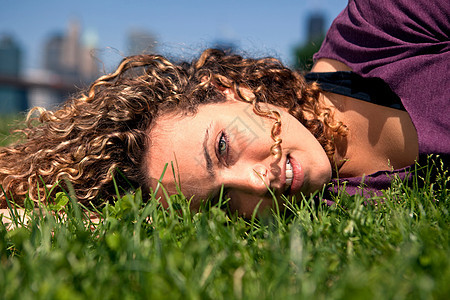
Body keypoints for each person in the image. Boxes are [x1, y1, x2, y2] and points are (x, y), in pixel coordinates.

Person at [0, 0, 448, 217]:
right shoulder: (337, 203)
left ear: (230, 90)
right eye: (223, 202)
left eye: (222, 148)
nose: (256, 184)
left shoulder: (380, 27)